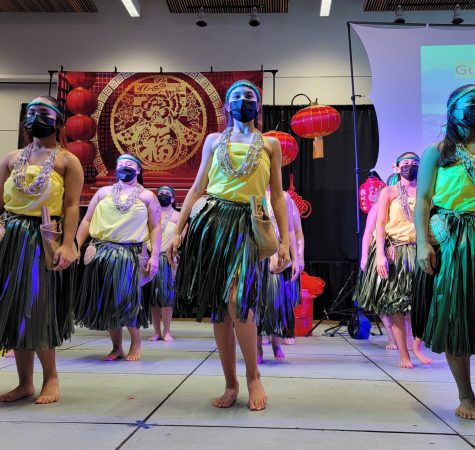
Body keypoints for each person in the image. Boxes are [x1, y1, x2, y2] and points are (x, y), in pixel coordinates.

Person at [168, 80, 290, 411]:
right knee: (220, 310)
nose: (242, 101)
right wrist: (177, 231)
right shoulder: (212, 141)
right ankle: (231, 384)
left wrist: (286, 240)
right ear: (226, 105)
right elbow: (196, 188)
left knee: (239, 299)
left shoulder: (270, 145)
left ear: (258, 106)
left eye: (248, 97)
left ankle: (253, 377)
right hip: (211, 221)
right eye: (235, 97)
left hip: (249, 223)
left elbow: (277, 195)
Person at [0, 95, 83, 403]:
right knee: (12, 308)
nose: (36, 118)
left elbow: (72, 206)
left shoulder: (66, 160)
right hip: (11, 237)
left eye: (44, 113)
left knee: (36, 306)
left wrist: (67, 244)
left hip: (43, 238)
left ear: (58, 121)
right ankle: (24, 382)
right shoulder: (11, 157)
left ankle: (51, 378)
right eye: (32, 113)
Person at [414, 84, 475, 419]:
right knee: (456, 317)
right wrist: (423, 242)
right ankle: (466, 395)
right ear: (453, 110)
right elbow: (423, 199)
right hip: (454, 241)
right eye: (470, 104)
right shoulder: (437, 151)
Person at [75, 154, 161, 361]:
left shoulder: (148, 196)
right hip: (101, 251)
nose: (124, 167)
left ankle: (136, 342)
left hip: (130, 253)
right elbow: (86, 221)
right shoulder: (103, 193)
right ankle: (116, 347)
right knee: (107, 301)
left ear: (139, 170)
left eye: (129, 165)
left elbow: (155, 227)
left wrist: (155, 256)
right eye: (120, 164)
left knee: (126, 300)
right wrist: (75, 245)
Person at [356, 152, 431, 368]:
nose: (410, 166)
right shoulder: (388, 192)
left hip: (420, 250)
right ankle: (404, 355)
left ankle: (416, 346)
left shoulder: (427, 192)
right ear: (396, 168)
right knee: (397, 305)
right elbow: (378, 225)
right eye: (405, 164)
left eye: (415, 164)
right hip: (397, 251)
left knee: (422, 302)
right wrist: (379, 254)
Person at [257, 190, 300, 362]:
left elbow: (289, 229)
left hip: (276, 255)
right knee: (256, 303)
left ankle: (276, 342)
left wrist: (296, 258)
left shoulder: (284, 197)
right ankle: (257, 347)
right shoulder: (251, 192)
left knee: (275, 303)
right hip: (256, 254)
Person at [146, 186, 179, 342]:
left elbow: (181, 239)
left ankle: (167, 331)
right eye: (160, 194)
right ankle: (157, 331)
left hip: (167, 259)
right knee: (153, 297)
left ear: (173, 199)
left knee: (166, 297)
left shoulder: (178, 217)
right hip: (152, 258)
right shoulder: (151, 214)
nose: (163, 196)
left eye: (167, 194)